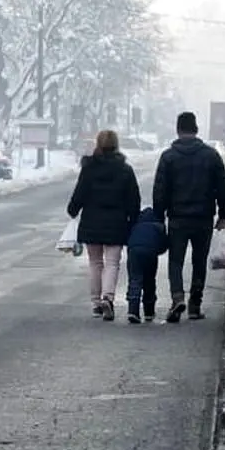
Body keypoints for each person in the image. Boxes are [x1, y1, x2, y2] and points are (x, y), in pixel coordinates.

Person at [152, 111, 225, 323]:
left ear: (178, 130)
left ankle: (177, 297)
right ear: (196, 130)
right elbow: (222, 187)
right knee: (199, 260)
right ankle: (195, 305)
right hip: (203, 218)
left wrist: (159, 216)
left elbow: (160, 190)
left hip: (178, 218)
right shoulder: (210, 156)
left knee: (176, 260)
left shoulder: (168, 157)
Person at [67, 130, 141, 320]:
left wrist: (73, 210)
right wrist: (133, 220)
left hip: (91, 222)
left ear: (98, 145)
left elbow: (79, 193)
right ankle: (108, 297)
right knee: (112, 263)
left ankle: (95, 302)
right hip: (116, 223)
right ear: (116, 145)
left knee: (95, 263)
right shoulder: (125, 170)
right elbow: (134, 199)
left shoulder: (89, 168)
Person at [126, 206, 168, 323]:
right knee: (149, 281)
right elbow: (164, 245)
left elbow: (128, 239)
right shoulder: (159, 227)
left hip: (134, 252)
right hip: (151, 253)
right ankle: (149, 311)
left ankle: (133, 310)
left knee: (135, 280)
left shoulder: (135, 226)